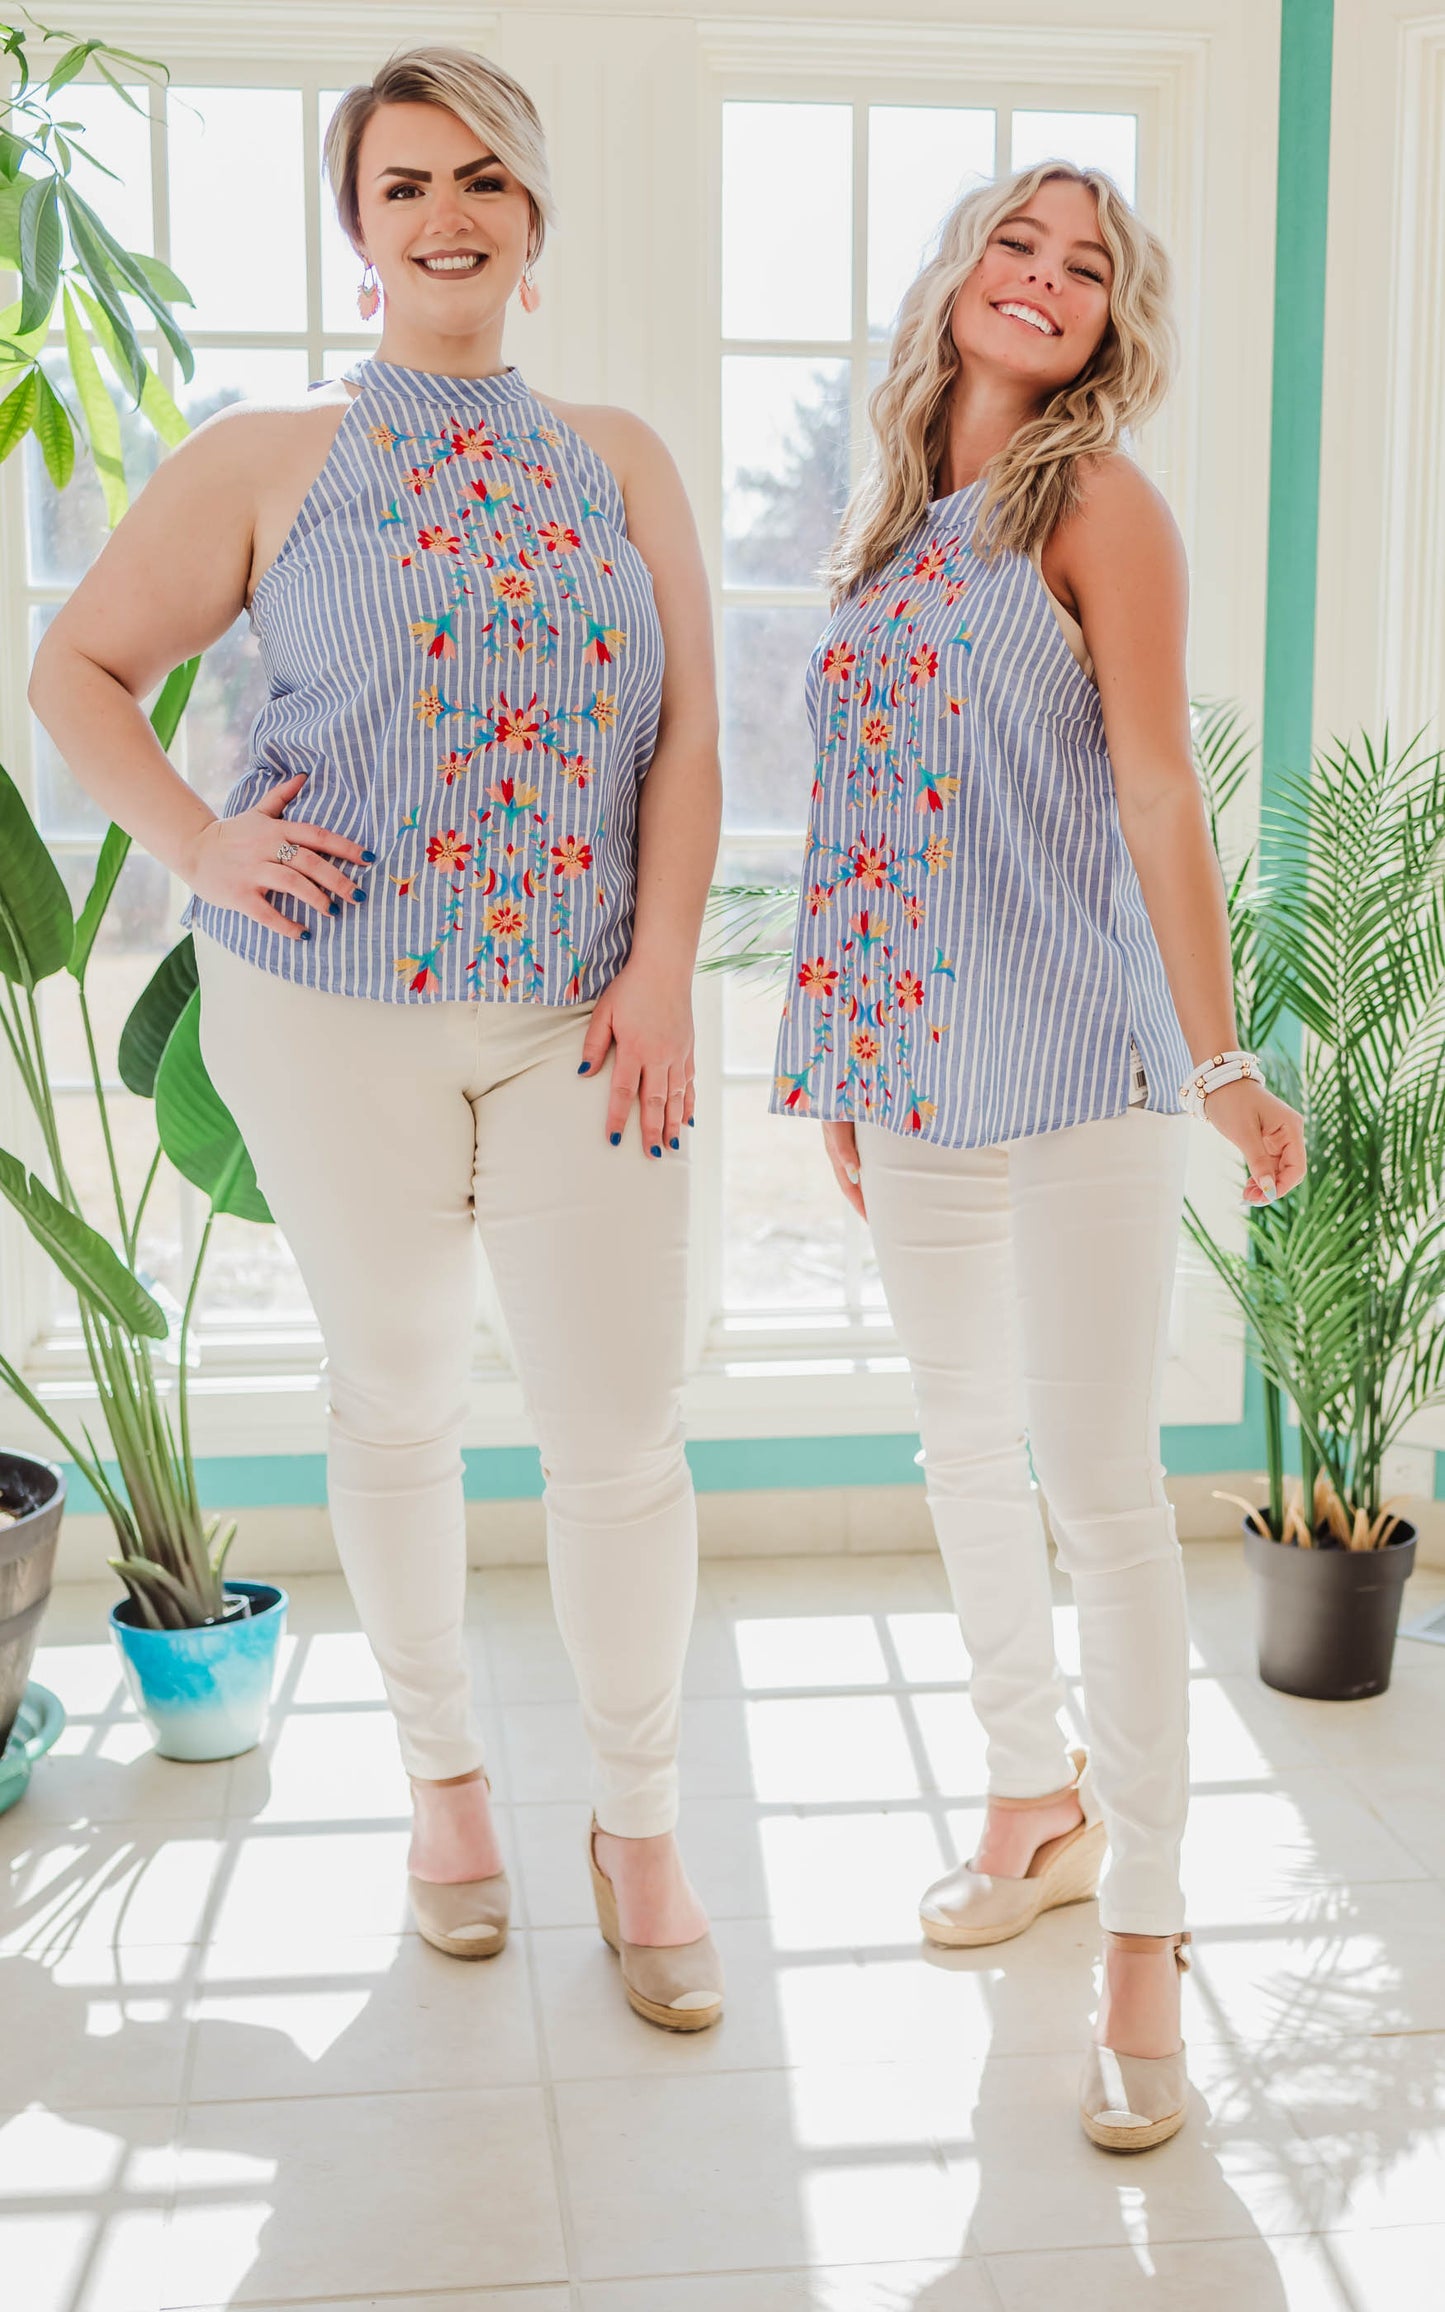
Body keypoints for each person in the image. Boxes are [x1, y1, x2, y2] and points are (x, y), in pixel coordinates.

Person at [29, 44, 726, 2032]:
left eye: (483, 177)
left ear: (533, 221)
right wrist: (198, 842)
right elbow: (76, 668)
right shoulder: (272, 458)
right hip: (329, 1012)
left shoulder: (623, 457)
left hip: (594, 1015)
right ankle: (447, 1799)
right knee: (398, 1394)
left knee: (617, 1432)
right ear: (362, 238)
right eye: (406, 182)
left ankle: (644, 1823)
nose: (448, 212)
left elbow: (689, 740)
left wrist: (667, 963)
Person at [771, 159, 1306, 2147]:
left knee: (1095, 1485)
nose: (1047, 278)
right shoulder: (891, 525)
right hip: (910, 1071)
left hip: (1083, 1067)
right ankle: (1033, 1800)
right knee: (951, 1437)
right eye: (1021, 240)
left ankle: (1149, 1925)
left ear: (1106, 327)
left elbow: (1159, 790)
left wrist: (1226, 1053)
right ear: (961, 272)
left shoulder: (1097, 503)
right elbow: (860, 821)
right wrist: (830, 1051)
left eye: (1086, 267)